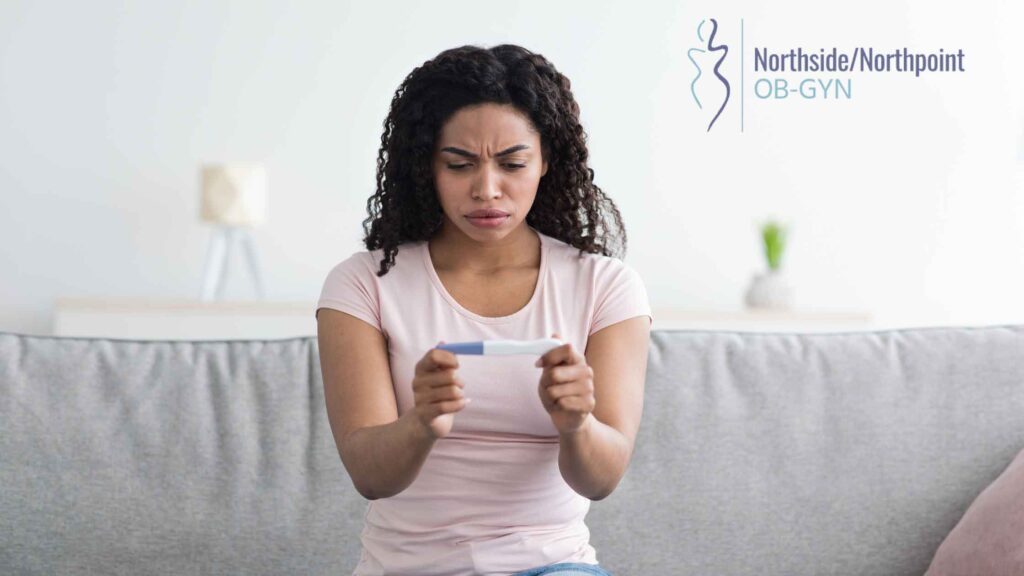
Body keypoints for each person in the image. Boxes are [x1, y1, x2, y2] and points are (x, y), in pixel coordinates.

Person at [315, 43, 652, 576]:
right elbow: (370, 477)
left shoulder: (605, 287)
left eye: (513, 163)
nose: (487, 190)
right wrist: (422, 422)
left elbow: (602, 480)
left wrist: (577, 423)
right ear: (427, 166)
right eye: (459, 164)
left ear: (546, 162)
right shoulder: (363, 285)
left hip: (554, 566)